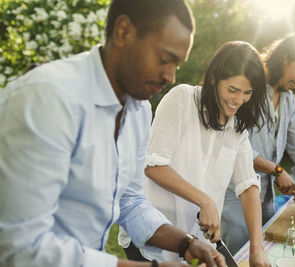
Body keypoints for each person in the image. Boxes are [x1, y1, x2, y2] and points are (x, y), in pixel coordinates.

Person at [0, 1, 226, 267]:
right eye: (165, 59)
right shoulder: (47, 99)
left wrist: (186, 243)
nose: (170, 76)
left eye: (177, 64)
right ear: (123, 32)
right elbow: (20, 247)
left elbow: (130, 203)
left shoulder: (139, 110)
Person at [119, 41, 272, 267]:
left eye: (247, 93)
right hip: (153, 235)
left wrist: (256, 248)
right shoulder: (181, 99)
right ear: (214, 79)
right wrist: (205, 201)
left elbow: (248, 186)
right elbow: (153, 165)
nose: (239, 100)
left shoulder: (238, 127)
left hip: (197, 244)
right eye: (232, 90)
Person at [221, 32, 295, 254]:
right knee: (236, 253)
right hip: (233, 191)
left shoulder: (289, 100)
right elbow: (235, 144)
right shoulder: (249, 87)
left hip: (265, 194)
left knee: (264, 250)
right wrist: (276, 169)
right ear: (285, 59)